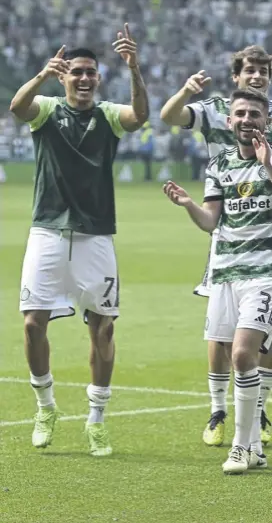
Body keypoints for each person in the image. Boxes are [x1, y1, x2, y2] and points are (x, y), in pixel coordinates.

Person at [10, 23, 149, 456]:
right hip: (48, 230)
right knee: (33, 323)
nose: (85, 78)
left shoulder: (108, 115)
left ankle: (96, 420)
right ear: (64, 76)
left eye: (91, 72)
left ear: (98, 78)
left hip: (95, 237)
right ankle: (45, 406)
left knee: (103, 329)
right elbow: (18, 107)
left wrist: (134, 68)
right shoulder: (48, 109)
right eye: (77, 72)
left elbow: (139, 116)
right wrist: (40, 75)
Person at [160, 46, 272, 447]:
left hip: (265, 239)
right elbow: (170, 117)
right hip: (225, 232)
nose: (257, 76)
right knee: (221, 331)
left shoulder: (269, 115)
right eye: (250, 70)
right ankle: (218, 409)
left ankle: (257, 412)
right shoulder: (216, 110)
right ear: (237, 75)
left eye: (263, 70)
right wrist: (185, 91)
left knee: (259, 334)